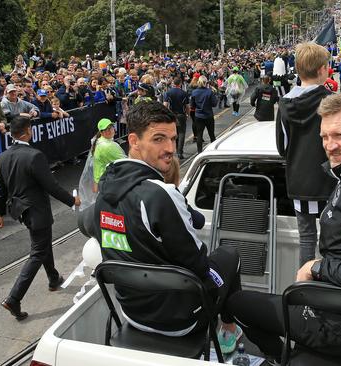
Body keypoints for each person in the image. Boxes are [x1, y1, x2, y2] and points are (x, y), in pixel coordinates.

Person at [228, 92, 341, 364]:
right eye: (324, 137)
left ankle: (279, 358)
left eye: (339, 135)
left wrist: (316, 267)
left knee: (235, 304)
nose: (330, 145)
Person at [88, 102, 243, 353]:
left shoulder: (105, 190)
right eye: (159, 139)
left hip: (131, 314)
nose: (170, 148)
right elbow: (199, 264)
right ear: (134, 141)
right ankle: (228, 332)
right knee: (230, 255)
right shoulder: (162, 194)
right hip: (180, 320)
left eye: (172, 138)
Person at [0, 116, 81, 320]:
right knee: (37, 252)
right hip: (37, 210)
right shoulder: (34, 156)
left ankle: (53, 278)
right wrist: (72, 200)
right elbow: (51, 185)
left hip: (21, 210)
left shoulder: (2, 158)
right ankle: (13, 298)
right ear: (27, 131)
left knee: (42, 244)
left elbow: (1, 189)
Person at [276, 42, 336, 267]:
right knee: (333, 238)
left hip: (299, 179)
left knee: (307, 238)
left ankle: (305, 288)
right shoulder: (331, 101)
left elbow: (283, 146)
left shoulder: (284, 104)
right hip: (330, 180)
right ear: (322, 69)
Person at [91, 118, 126, 191]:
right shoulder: (108, 146)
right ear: (101, 132)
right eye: (106, 129)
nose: (109, 130)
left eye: (111, 127)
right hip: (107, 183)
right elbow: (125, 162)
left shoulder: (99, 141)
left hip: (101, 181)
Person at [190, 75, 218, 153]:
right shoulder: (209, 92)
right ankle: (214, 151)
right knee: (211, 134)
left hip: (198, 116)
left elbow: (192, 106)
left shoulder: (194, 92)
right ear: (206, 83)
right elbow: (214, 104)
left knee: (199, 135)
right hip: (208, 115)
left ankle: (199, 152)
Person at [163, 77, 190, 159]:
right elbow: (187, 106)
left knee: (173, 134)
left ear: (173, 83)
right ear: (180, 84)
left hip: (172, 115)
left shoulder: (168, 93)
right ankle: (180, 152)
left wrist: (166, 114)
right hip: (181, 114)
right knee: (181, 133)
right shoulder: (184, 93)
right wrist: (188, 114)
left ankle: (172, 150)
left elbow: (165, 105)